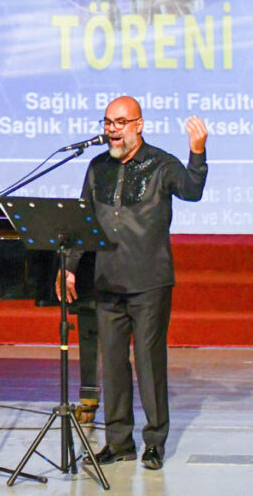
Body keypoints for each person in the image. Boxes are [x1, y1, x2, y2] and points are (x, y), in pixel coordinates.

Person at [58, 96, 208, 470]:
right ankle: (118, 441)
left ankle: (154, 442)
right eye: (108, 122)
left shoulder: (161, 164)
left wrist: (197, 152)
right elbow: (84, 221)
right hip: (107, 281)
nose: (112, 129)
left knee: (149, 364)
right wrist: (70, 266)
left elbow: (191, 189)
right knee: (112, 364)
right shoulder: (97, 167)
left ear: (139, 125)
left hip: (149, 282)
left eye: (120, 122)